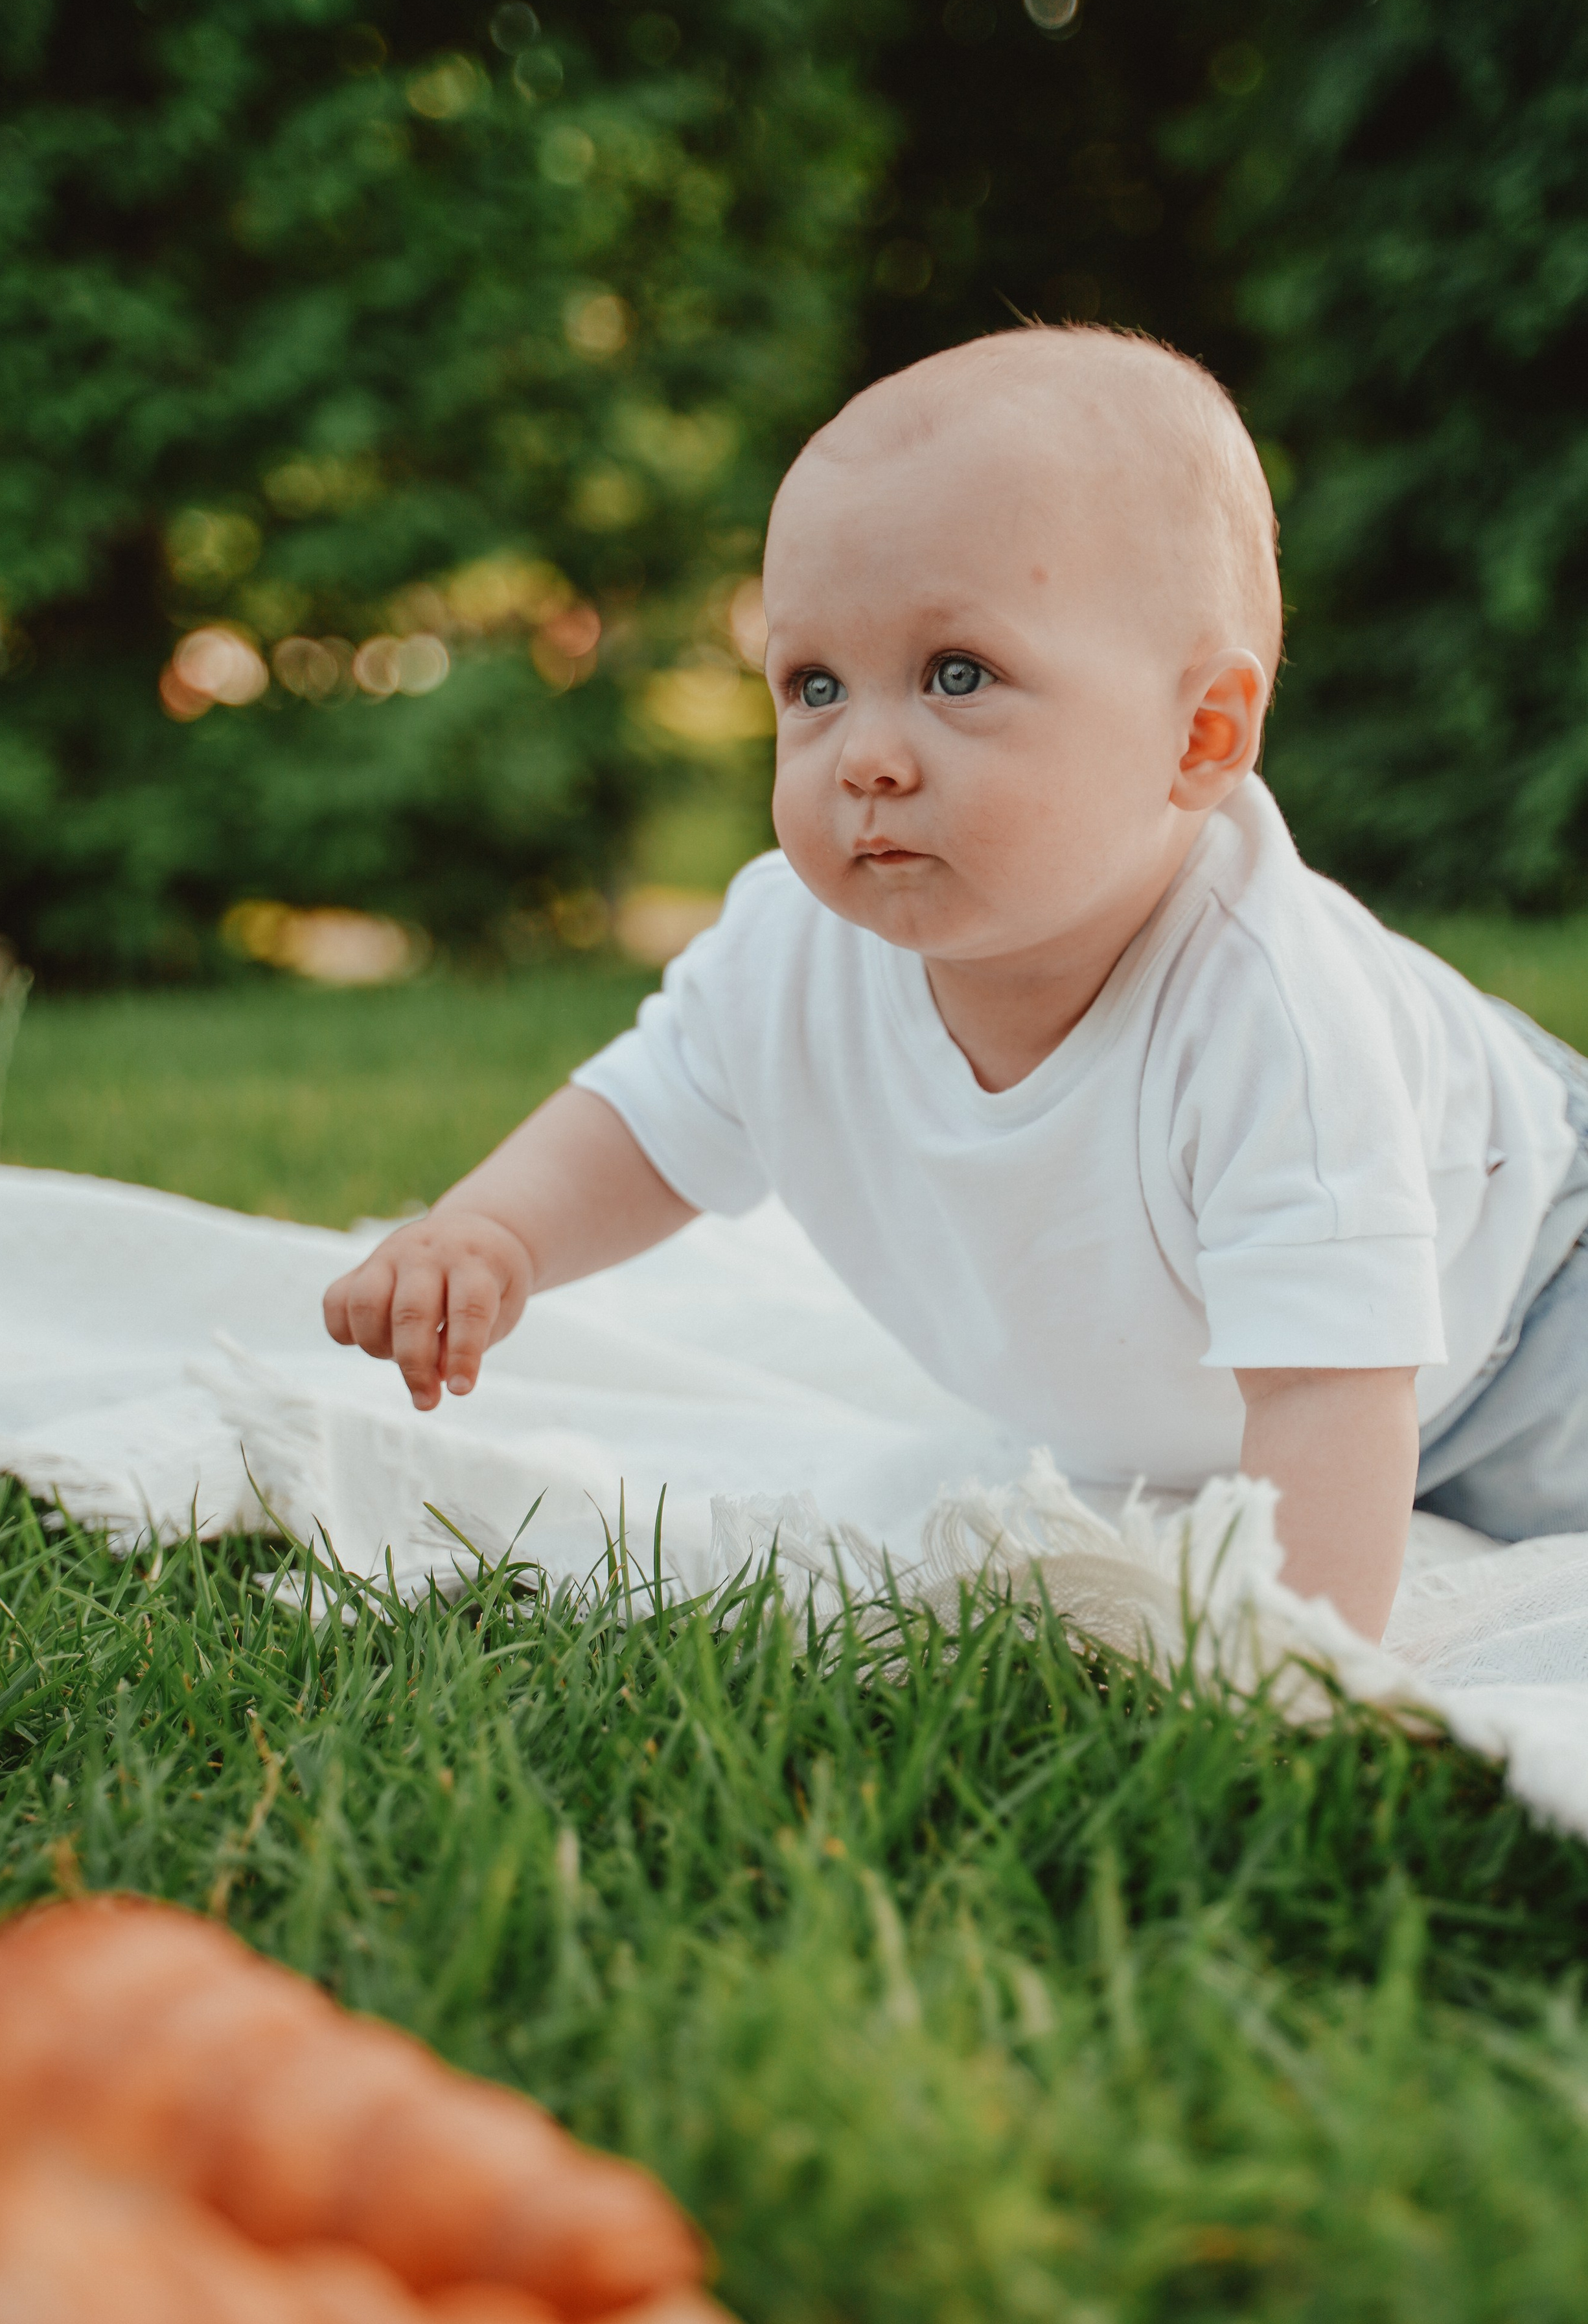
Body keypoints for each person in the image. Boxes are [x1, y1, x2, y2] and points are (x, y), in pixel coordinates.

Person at [323, 326, 1588, 1642]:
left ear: (1198, 734)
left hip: (1524, 1302)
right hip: (1217, 1409)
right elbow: (654, 1115)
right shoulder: (789, 955)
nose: (864, 753)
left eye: (956, 675)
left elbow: (1331, 1391)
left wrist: (1291, 1682)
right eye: (812, 684)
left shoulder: (1269, 1013)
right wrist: (494, 1234)